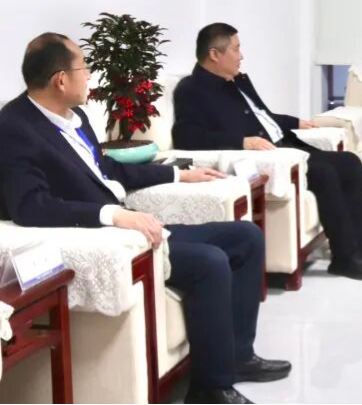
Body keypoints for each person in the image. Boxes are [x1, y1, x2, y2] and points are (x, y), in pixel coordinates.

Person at [0, 33, 291, 405]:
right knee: (210, 262)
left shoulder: (76, 117)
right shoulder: (15, 127)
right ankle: (211, 388)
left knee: (246, 236)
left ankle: (239, 356)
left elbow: (107, 170)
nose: (89, 76)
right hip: (107, 237)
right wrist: (112, 214)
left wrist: (177, 174)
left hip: (129, 226)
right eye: (84, 68)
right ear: (60, 80)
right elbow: (30, 205)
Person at [172, 23, 362, 282]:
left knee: (349, 161)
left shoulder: (235, 81)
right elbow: (186, 136)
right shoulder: (191, 90)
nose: (241, 55)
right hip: (267, 158)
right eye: (235, 49)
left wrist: (295, 122)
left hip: (286, 146)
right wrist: (242, 141)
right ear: (214, 54)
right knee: (324, 172)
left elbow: (262, 116)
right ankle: (344, 257)